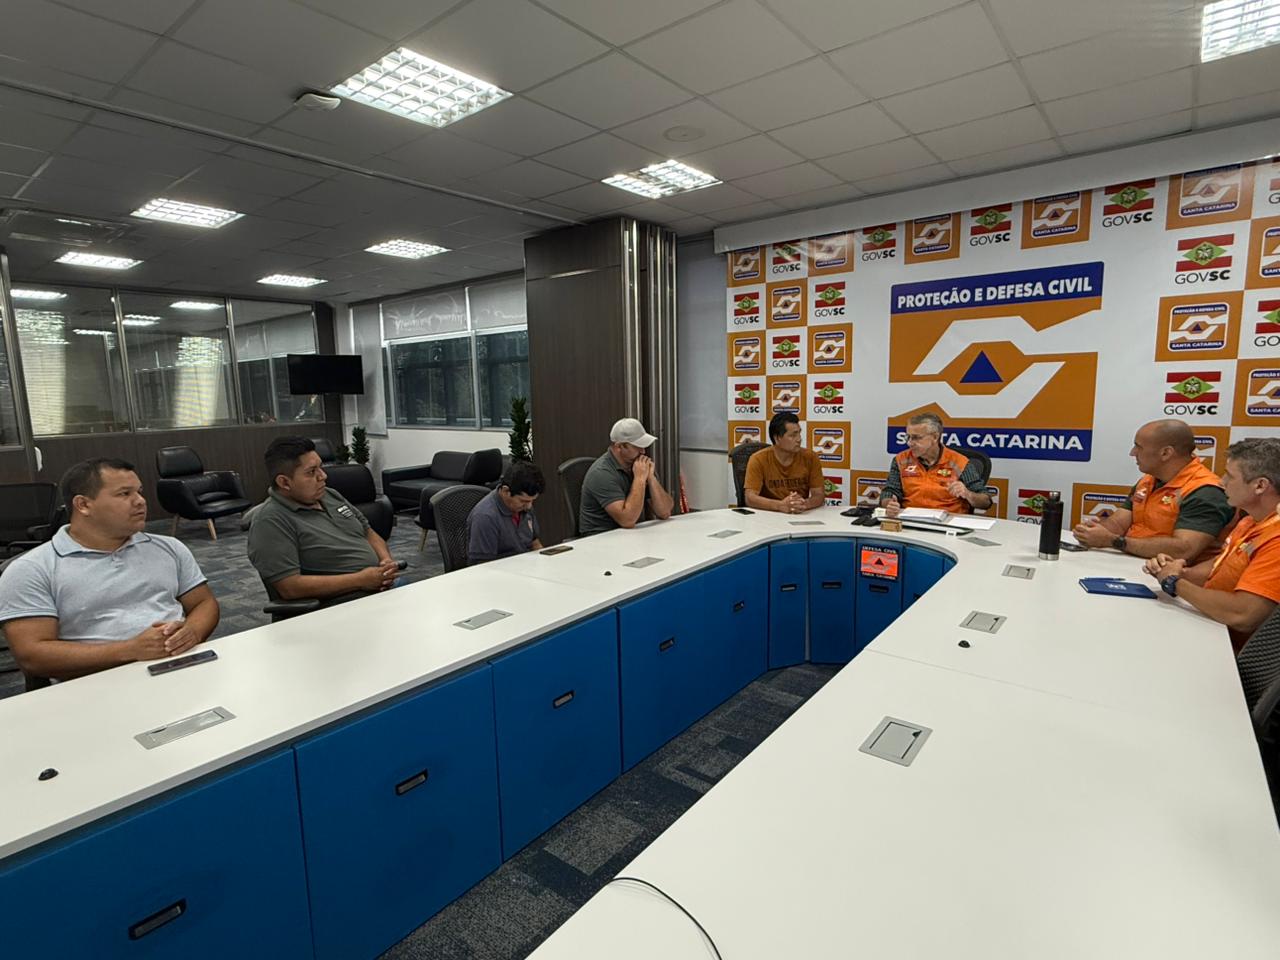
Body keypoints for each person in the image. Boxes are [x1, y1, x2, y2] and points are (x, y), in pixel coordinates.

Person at [0, 458, 219, 682]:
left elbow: (203, 603)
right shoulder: (31, 569)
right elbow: (32, 655)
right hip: (95, 683)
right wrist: (131, 650)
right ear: (83, 505)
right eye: (124, 494)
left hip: (180, 667)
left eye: (139, 492)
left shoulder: (169, 547)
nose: (140, 501)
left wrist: (192, 632)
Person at [1144, 438, 1280, 652]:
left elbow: (1243, 615)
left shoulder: (1276, 539)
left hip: (1232, 655)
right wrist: (1179, 571)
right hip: (1210, 627)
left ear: (1260, 485)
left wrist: (1174, 583)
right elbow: (1222, 565)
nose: (1222, 482)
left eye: (1230, 476)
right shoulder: (1250, 521)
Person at [248, 436, 398, 603]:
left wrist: (385, 560)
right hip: (340, 603)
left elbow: (368, 532)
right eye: (312, 472)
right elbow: (290, 587)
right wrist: (360, 580)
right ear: (284, 482)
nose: (323, 476)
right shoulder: (270, 521)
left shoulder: (330, 495)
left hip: (377, 588)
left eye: (321, 467)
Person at [1071, 420, 1233, 561]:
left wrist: (1114, 541)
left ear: (1166, 453)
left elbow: (1184, 550)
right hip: (1134, 563)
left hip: (1174, 577)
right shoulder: (1148, 480)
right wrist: (1092, 531)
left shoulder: (1205, 491)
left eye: (1138, 447)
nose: (1132, 453)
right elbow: (1118, 524)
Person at [880, 412, 991, 516]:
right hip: (909, 520)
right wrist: (889, 504)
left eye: (916, 438)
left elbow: (986, 501)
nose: (910, 443)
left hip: (948, 523)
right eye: (908, 437)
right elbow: (889, 491)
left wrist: (967, 494)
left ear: (935, 437)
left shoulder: (959, 462)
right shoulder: (901, 460)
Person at [579, 417, 674, 536]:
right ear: (619, 447)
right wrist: (639, 479)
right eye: (637, 446)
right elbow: (627, 520)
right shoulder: (601, 473)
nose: (643, 451)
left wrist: (651, 478)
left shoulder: (638, 465)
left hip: (630, 535)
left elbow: (665, 512)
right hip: (599, 538)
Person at [743, 412, 824, 514]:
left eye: (799, 433)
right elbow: (750, 498)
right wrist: (780, 505)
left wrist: (801, 504)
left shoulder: (810, 457)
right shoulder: (758, 459)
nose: (799, 439)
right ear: (777, 438)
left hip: (799, 515)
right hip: (769, 515)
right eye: (793, 435)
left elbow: (819, 495)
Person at [468, 461, 545, 564]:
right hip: (500, 570)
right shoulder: (485, 517)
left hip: (525, 565)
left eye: (532, 501)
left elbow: (534, 542)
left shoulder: (524, 507)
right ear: (505, 491)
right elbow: (483, 565)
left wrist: (544, 563)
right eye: (523, 501)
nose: (529, 506)